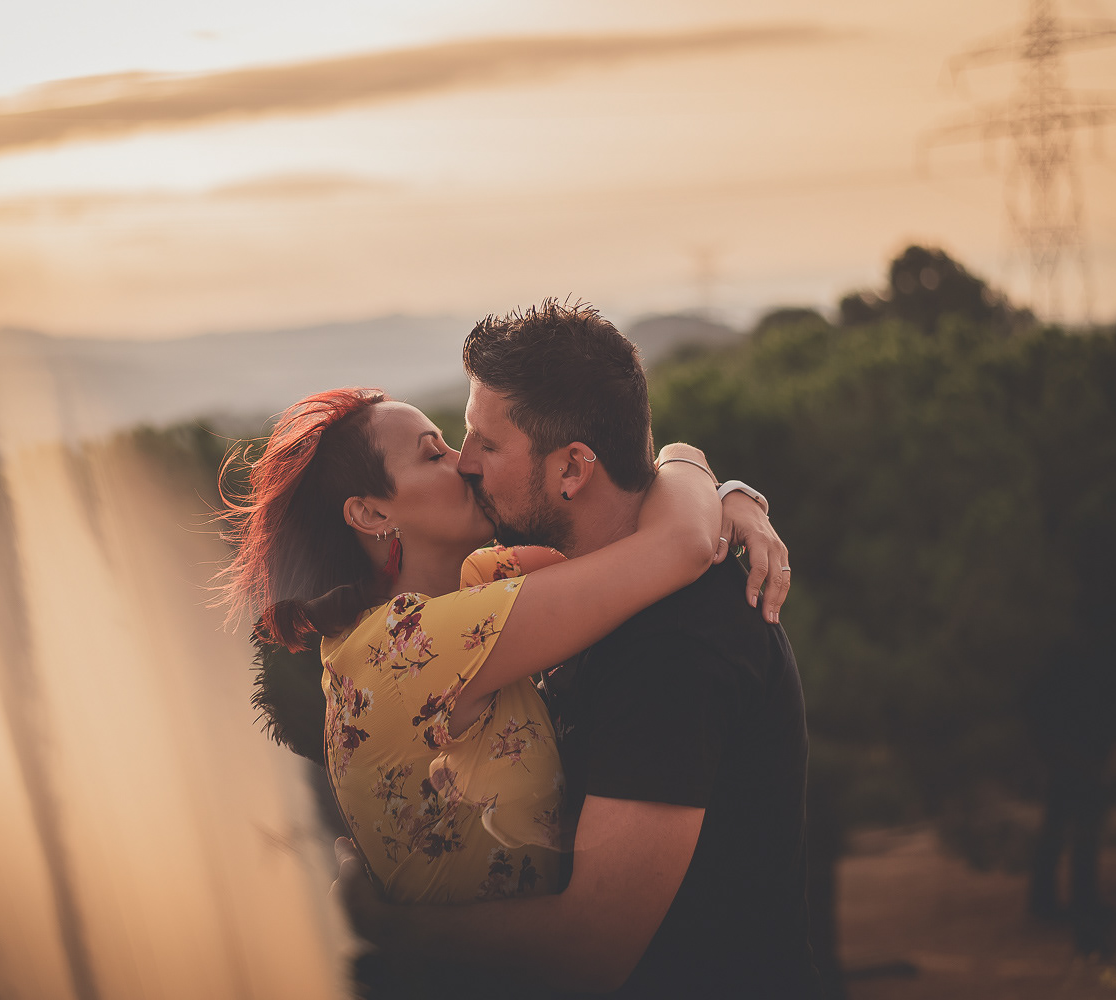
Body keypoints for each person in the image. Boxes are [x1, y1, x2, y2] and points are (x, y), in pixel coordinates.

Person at [336, 300, 820, 998]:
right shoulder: (568, 592)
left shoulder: (677, 647)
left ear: (572, 469)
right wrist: (706, 475)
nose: (466, 464)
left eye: (487, 445)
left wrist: (388, 928)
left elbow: (588, 951)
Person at [217, 387, 781, 912]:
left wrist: (730, 500)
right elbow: (678, 544)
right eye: (433, 454)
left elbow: (625, 537)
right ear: (372, 514)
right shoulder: (408, 643)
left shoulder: (466, 584)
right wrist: (687, 458)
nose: (464, 462)